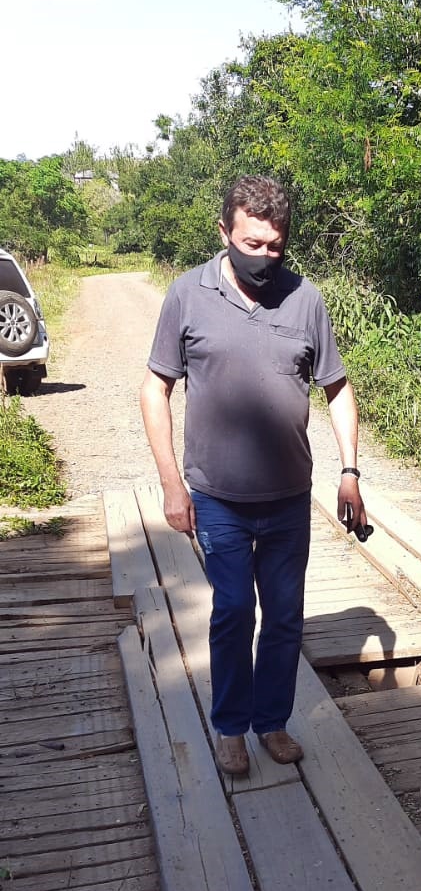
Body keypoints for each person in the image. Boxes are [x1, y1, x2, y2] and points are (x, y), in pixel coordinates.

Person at [140, 175, 366, 777]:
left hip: (290, 498)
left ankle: (271, 721)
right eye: (252, 243)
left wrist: (349, 470)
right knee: (234, 611)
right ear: (225, 232)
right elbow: (155, 388)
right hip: (218, 498)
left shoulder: (305, 299)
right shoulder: (187, 295)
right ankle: (230, 727)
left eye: (275, 245)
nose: (264, 256)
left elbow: (337, 388)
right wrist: (171, 483)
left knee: (285, 616)